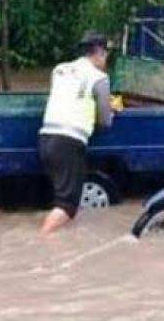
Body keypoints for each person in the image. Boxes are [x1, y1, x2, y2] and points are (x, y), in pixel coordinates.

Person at [39, 31, 114, 234]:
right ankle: (42, 243)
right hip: (69, 141)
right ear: (99, 52)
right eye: (106, 54)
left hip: (46, 137)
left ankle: (59, 243)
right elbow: (105, 120)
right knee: (67, 205)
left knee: (62, 198)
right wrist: (110, 108)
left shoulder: (60, 69)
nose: (106, 59)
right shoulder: (99, 78)